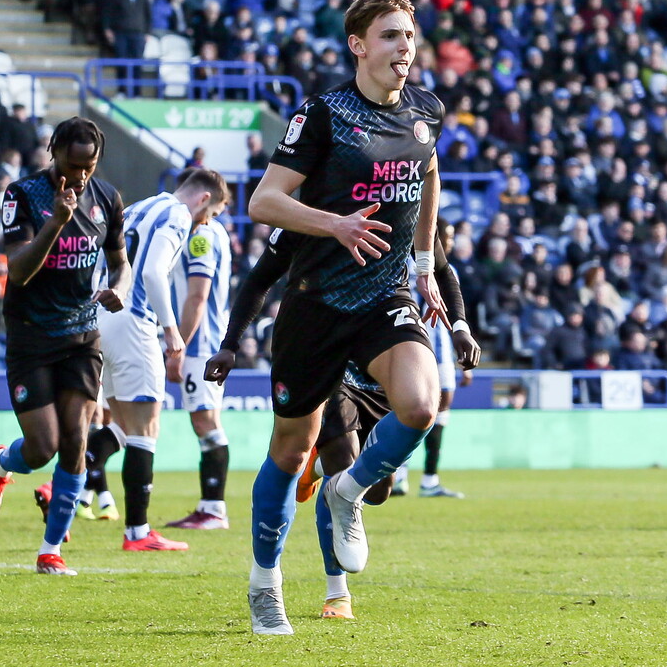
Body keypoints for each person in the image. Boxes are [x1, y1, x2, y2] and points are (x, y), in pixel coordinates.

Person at [243, 0, 446, 635]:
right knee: (290, 448)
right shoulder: (323, 115)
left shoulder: (426, 112)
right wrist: (335, 225)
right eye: (390, 36)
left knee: (421, 405)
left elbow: (429, 173)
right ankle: (265, 584)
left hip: (385, 294)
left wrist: (423, 265)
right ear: (358, 45)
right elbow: (263, 201)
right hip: (317, 303)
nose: (404, 48)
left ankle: (347, 491)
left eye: (409, 36)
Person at [205, 225, 480, 620]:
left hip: (380, 364)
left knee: (378, 490)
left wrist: (461, 326)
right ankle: (337, 592)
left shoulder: (406, 210)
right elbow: (259, 278)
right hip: (330, 364)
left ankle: (316, 469)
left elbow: (443, 269)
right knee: (343, 463)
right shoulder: (311, 215)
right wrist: (230, 344)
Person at [0, 117, 131, 577]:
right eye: (72, 164)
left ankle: (50, 551)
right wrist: (56, 223)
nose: (80, 175)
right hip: (31, 334)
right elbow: (18, 270)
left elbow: (120, 261)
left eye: (89, 166)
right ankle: (1, 463)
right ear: (54, 153)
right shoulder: (22, 195)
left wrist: (120, 287)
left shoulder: (107, 198)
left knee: (76, 440)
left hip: (82, 335)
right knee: (43, 447)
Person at [77, 168, 229, 551]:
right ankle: (138, 532)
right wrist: (171, 329)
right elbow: (152, 271)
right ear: (203, 199)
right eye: (210, 214)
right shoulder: (178, 214)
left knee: (122, 425)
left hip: (99, 316)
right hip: (134, 320)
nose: (205, 223)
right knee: (145, 430)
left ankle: (61, 485)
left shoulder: (138, 208)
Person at [391, 219, 471, 499]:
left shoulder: (449, 271)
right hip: (411, 345)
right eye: (444, 236)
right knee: (408, 407)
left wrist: (462, 359)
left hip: (442, 349)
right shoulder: (406, 263)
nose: (448, 242)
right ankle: (399, 476)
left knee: (442, 406)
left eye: (451, 238)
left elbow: (455, 312)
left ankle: (429, 479)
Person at [164, 210, 233, 530]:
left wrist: (178, 347)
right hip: (205, 342)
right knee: (204, 421)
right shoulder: (213, 232)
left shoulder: (201, 237)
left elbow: (197, 297)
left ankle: (214, 509)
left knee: (206, 421)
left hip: (199, 344)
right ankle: (210, 507)